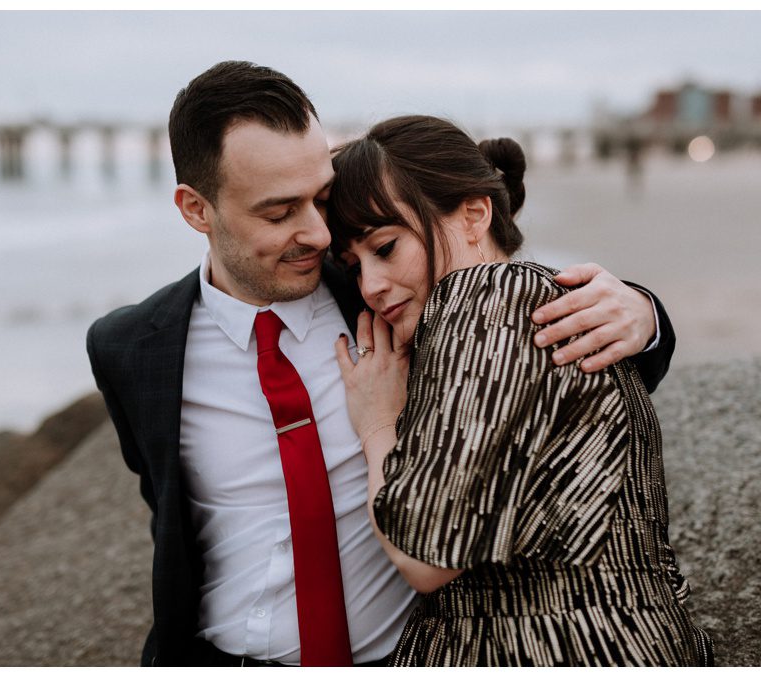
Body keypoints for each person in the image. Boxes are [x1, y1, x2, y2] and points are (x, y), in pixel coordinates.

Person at [86, 61, 676, 667]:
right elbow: (172, 521)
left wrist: (645, 313)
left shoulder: (388, 295)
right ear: (195, 210)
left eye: (319, 197)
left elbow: (545, 362)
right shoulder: (132, 349)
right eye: (279, 212)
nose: (316, 233)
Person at [327, 114, 714, 666]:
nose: (370, 285)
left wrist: (376, 421)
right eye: (353, 265)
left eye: (385, 248)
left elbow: (425, 554)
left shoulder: (490, 303)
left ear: (474, 215)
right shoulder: (523, 301)